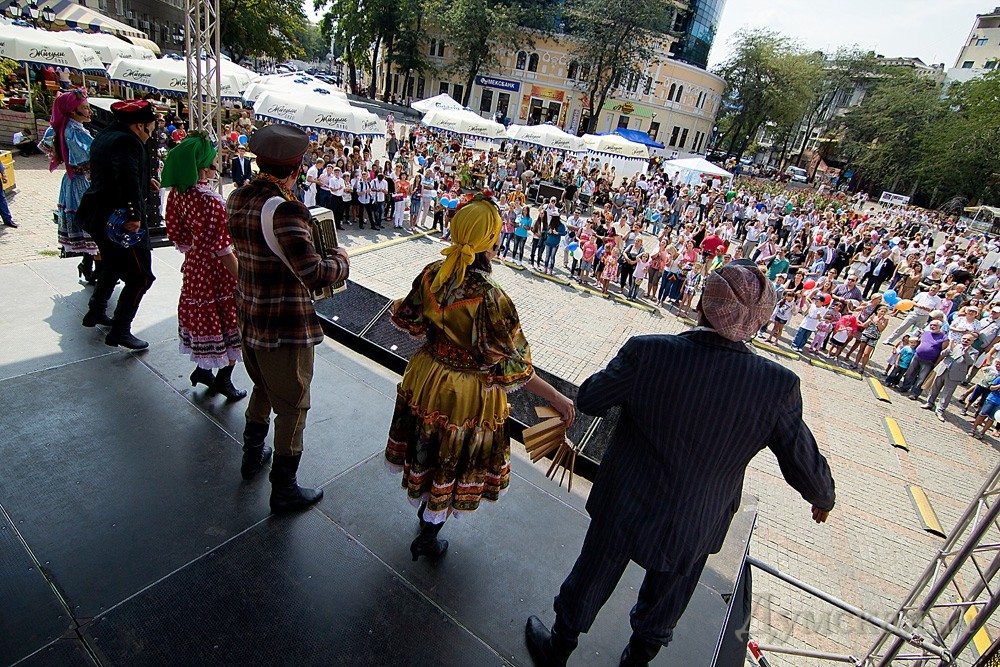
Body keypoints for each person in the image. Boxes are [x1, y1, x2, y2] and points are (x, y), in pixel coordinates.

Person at [526, 261, 835, 666]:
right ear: (758, 322)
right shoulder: (777, 385)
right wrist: (822, 496)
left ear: (702, 304)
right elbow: (800, 455)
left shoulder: (649, 351)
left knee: (592, 574)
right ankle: (636, 661)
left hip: (625, 500)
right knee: (668, 598)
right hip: (697, 516)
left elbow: (590, 399)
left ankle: (558, 649)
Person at [385, 193, 575, 561]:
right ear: (489, 242)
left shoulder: (433, 273)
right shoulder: (491, 296)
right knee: (451, 456)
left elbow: (409, 317)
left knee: (430, 446)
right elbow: (512, 366)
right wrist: (557, 397)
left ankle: (426, 516)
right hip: (466, 393)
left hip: (426, 377)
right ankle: (428, 534)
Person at [226, 124, 351, 509]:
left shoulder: (237, 196)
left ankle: (251, 455)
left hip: (249, 314)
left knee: (263, 387)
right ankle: (283, 489)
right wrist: (341, 261)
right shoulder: (286, 209)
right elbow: (313, 272)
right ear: (296, 169)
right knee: (294, 404)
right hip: (283, 324)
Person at [162, 134, 246, 401]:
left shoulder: (178, 194)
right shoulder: (209, 200)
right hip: (217, 272)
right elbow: (223, 250)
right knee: (229, 323)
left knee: (210, 322)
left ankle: (204, 370)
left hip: (195, 266)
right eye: (211, 162)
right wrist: (243, 280)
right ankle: (223, 379)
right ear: (202, 166)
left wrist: (196, 251)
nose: (215, 167)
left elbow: (177, 234)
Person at [75, 99, 158, 349]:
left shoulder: (107, 134)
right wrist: (134, 216)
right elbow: (125, 178)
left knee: (112, 265)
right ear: (140, 125)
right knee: (141, 276)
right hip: (118, 220)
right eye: (151, 128)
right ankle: (121, 329)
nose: (151, 133)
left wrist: (145, 181)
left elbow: (115, 172)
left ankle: (96, 310)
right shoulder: (127, 141)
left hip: (98, 213)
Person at [48, 90, 97, 279]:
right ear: (72, 111)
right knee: (92, 225)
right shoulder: (74, 132)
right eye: (85, 108)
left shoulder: (65, 127)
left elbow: (47, 143)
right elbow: (88, 158)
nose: (89, 111)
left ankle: (88, 265)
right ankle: (94, 269)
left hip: (73, 181)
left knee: (89, 227)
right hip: (81, 182)